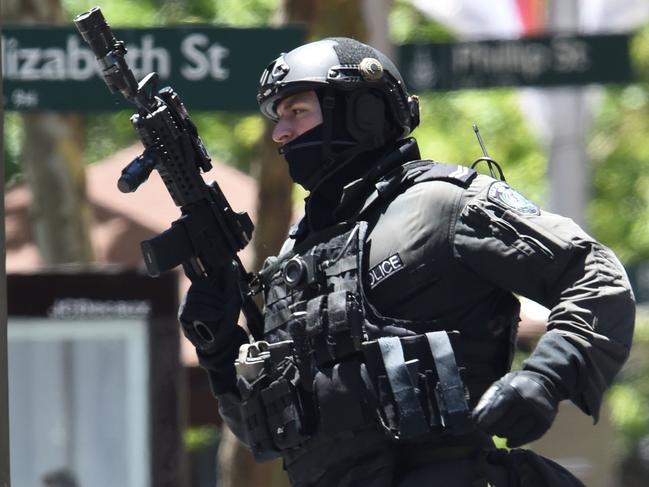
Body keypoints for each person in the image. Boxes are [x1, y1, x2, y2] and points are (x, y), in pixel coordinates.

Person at [179, 37, 635, 486]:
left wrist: (546, 376)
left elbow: (594, 274)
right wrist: (220, 350)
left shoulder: (441, 206)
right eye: (279, 117)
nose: (280, 132)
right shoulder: (292, 264)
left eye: (297, 111)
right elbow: (275, 433)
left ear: (361, 113)